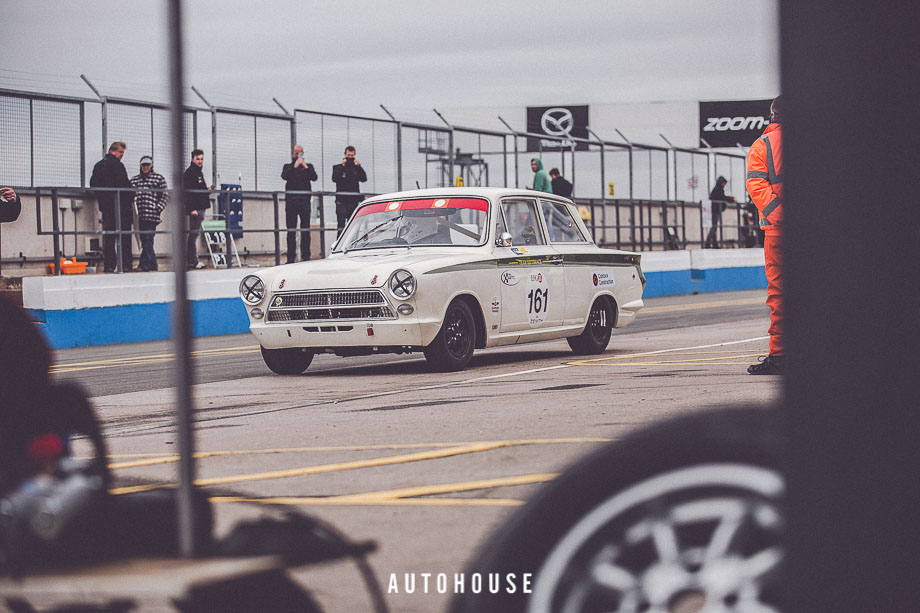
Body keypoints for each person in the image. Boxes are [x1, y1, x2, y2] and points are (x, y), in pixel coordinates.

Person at [745, 95, 784, 375]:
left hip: (779, 233)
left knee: (780, 294)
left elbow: (756, 186)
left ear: (772, 115)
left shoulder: (763, 145)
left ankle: (781, 357)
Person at [90, 141, 135, 272]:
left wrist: (103, 199)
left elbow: (93, 184)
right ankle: (126, 265)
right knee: (124, 236)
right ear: (113, 151)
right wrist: (132, 195)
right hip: (121, 207)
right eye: (120, 152)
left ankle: (109, 265)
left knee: (109, 237)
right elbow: (124, 185)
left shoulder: (98, 166)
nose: (122, 155)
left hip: (106, 207)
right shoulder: (118, 165)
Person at [130, 156, 168, 272]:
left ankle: (144, 265)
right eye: (143, 165)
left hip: (152, 215)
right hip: (139, 215)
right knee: (146, 240)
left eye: (147, 165)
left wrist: (158, 208)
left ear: (151, 165)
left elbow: (164, 195)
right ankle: (153, 264)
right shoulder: (134, 180)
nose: (145, 167)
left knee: (147, 238)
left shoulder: (159, 178)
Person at [281, 145, 318, 263]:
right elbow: (284, 176)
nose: (297, 155)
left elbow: (314, 177)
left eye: (300, 153)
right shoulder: (288, 166)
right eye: (296, 153)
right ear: (293, 153)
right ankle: (290, 257)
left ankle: (306, 256)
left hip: (304, 201)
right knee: (291, 230)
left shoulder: (308, 167)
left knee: (305, 229)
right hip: (291, 201)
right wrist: (295, 166)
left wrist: (305, 166)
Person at [182, 149, 211, 269]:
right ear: (192, 159)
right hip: (196, 209)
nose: (200, 161)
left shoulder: (198, 173)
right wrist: (191, 208)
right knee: (193, 235)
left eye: (201, 159)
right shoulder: (190, 173)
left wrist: (207, 190)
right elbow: (187, 192)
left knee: (195, 234)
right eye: (198, 159)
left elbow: (198, 190)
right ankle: (192, 261)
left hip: (200, 207)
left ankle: (192, 260)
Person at [331, 146, 367, 235]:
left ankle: (353, 243)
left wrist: (359, 166)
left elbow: (364, 179)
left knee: (353, 227)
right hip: (341, 202)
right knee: (341, 226)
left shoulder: (356, 168)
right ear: (345, 155)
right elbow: (335, 178)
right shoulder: (337, 167)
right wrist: (342, 166)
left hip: (353, 201)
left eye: (352, 156)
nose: (350, 158)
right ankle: (340, 243)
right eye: (348, 155)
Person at [705, 176, 737, 249]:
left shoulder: (717, 189)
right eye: (723, 183)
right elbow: (722, 198)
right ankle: (709, 242)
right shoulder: (718, 190)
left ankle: (713, 243)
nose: (724, 185)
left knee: (714, 227)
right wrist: (731, 199)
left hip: (715, 210)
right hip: (715, 210)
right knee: (714, 227)